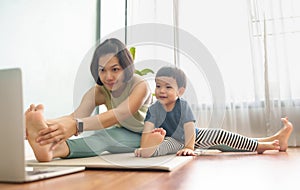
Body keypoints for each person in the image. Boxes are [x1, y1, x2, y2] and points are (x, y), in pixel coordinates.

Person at [25, 38, 152, 162]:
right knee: (104, 135)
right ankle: (50, 145)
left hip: (147, 134)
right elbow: (75, 116)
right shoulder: (100, 91)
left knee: (105, 137)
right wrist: (43, 126)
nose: (108, 77)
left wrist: (76, 126)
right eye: (102, 70)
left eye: (115, 69)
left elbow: (119, 114)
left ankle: (56, 149)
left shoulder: (140, 85)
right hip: (123, 131)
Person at [134, 66, 293, 158]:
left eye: (168, 87)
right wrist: (149, 141)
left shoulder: (183, 105)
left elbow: (189, 129)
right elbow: (146, 134)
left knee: (222, 136)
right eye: (158, 85)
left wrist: (189, 147)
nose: (161, 90)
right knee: (164, 146)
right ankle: (271, 143)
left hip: (193, 136)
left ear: (180, 91)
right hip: (172, 140)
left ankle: (269, 145)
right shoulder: (153, 109)